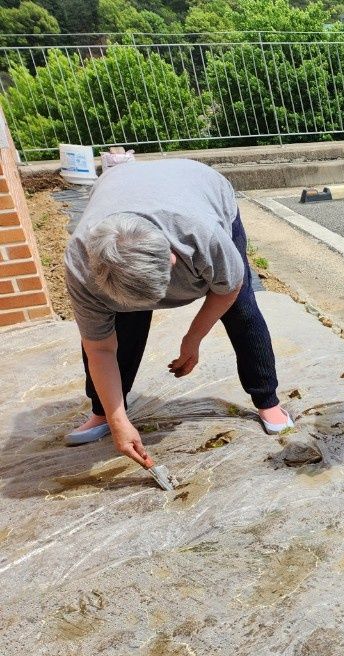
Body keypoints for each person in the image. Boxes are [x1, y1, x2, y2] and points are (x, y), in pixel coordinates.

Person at [64, 158, 291, 466]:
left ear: (171, 259)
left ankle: (268, 400)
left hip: (199, 186)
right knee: (123, 325)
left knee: (241, 310)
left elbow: (229, 288)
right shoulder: (81, 266)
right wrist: (119, 421)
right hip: (122, 188)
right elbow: (100, 348)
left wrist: (193, 338)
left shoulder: (202, 235)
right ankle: (103, 412)